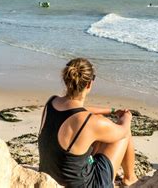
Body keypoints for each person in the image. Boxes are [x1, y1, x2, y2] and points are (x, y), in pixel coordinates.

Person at [38, 58, 137, 187]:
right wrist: (127, 116)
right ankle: (130, 178)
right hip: (86, 185)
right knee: (124, 132)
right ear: (89, 84)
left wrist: (111, 111)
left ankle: (128, 177)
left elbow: (76, 111)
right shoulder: (89, 122)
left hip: (50, 175)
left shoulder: (51, 102)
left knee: (99, 133)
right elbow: (122, 130)